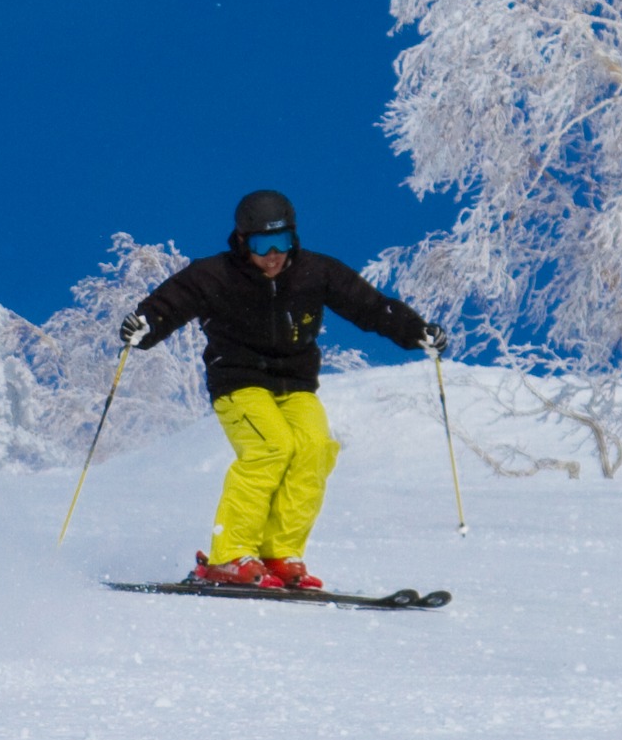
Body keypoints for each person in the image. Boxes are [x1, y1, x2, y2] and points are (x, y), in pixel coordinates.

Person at [121, 189, 440, 590]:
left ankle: (277, 553)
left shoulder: (316, 272)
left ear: (294, 239)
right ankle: (229, 555)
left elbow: (370, 307)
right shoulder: (215, 275)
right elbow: (173, 301)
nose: (273, 255)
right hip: (239, 384)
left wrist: (417, 332)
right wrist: (146, 325)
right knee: (270, 448)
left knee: (314, 450)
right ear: (241, 242)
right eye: (260, 244)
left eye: (282, 242)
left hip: (295, 385)